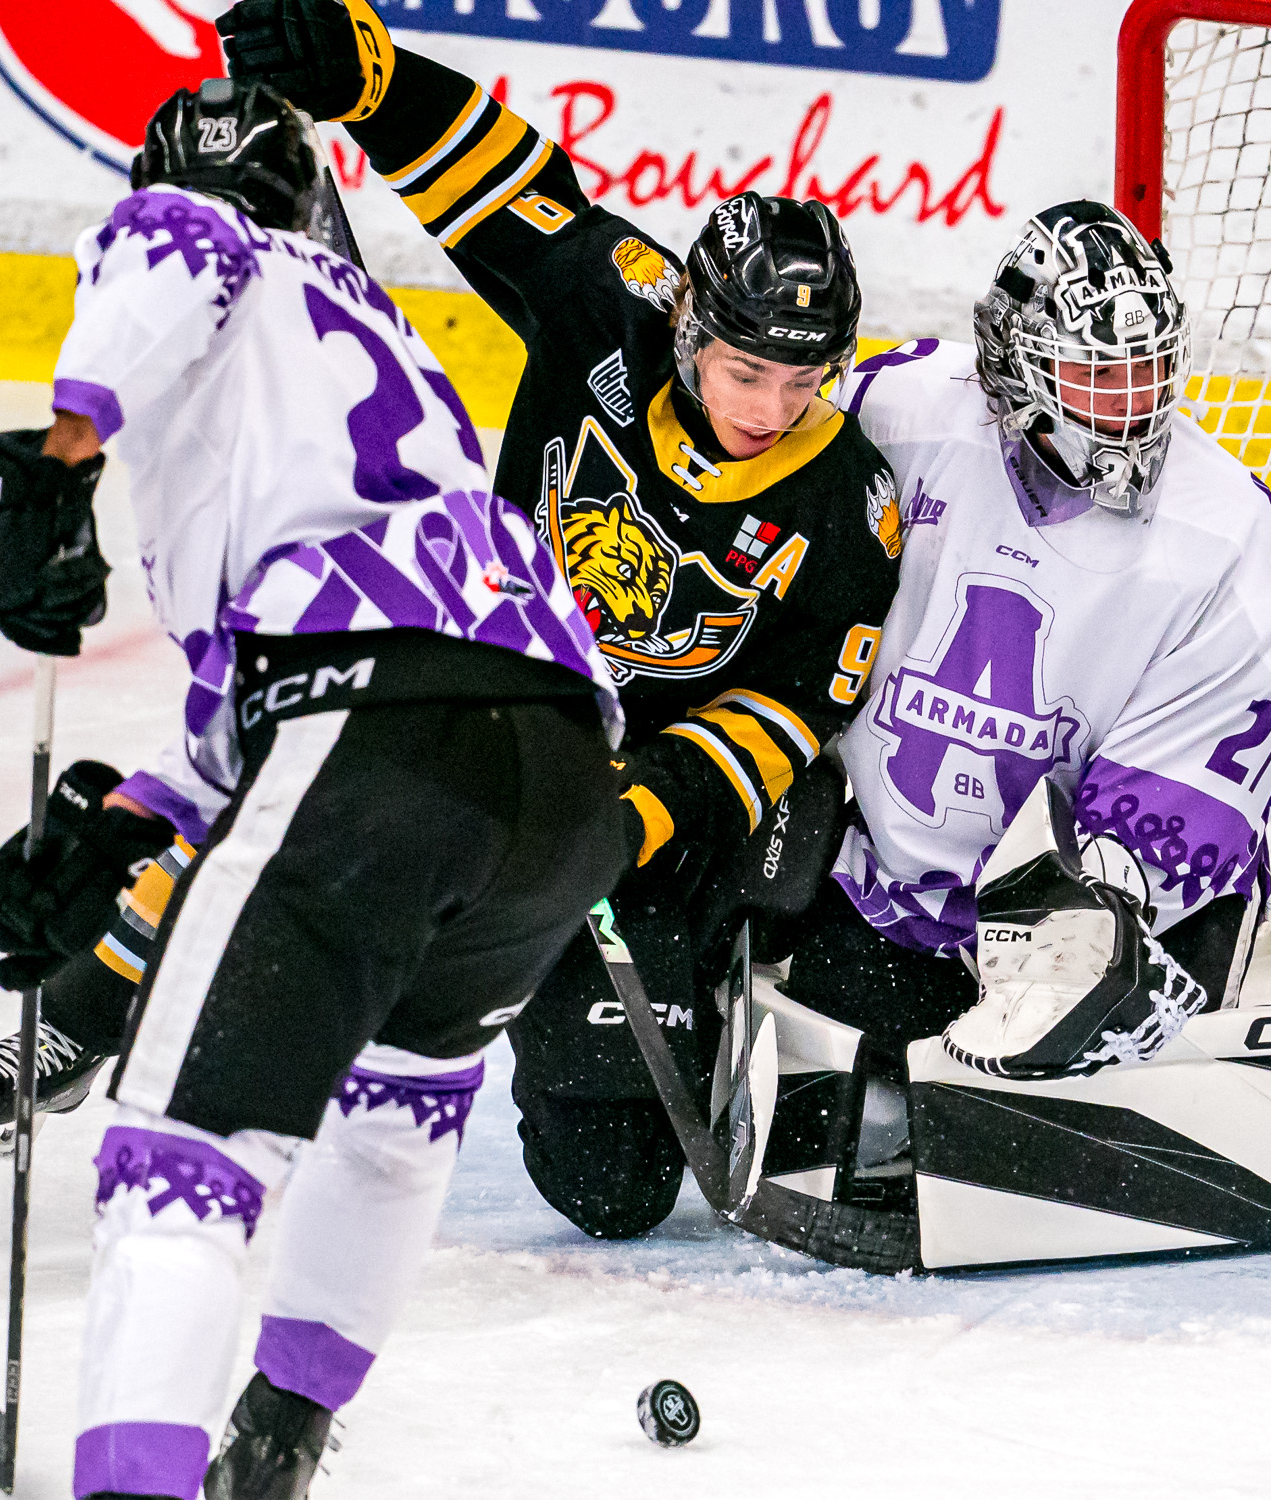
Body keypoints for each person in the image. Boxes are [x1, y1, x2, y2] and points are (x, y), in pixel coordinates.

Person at [0, 78, 626, 1499]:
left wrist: (57, 465)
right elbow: (270, 695)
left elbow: (179, 242)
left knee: (180, 1152)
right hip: (560, 776)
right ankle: (279, 1440)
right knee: (395, 1123)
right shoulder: (377, 342)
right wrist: (124, 830)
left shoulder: (202, 249)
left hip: (380, 742)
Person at [215, 0, 904, 1240]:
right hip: (510, 729)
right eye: (747, 371)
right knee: (598, 1175)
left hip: (669, 793)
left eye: (804, 379)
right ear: (691, 329)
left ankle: (734, 957)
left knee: (664, 1150)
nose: (770, 407)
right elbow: (498, 179)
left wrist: (641, 811)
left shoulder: (848, 506)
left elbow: (795, 704)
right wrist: (366, 73)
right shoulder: (611, 307)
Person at [530, 201, 1271, 1241]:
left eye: (1146, 374)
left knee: (1053, 1168)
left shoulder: (1226, 537)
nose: (1128, 410)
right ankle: (720, 977)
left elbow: (1192, 791)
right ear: (1015, 365)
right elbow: (742, 424)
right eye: (1093, 378)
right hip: (887, 893)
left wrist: (1082, 928)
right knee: (644, 1173)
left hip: (1093, 910)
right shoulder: (900, 410)